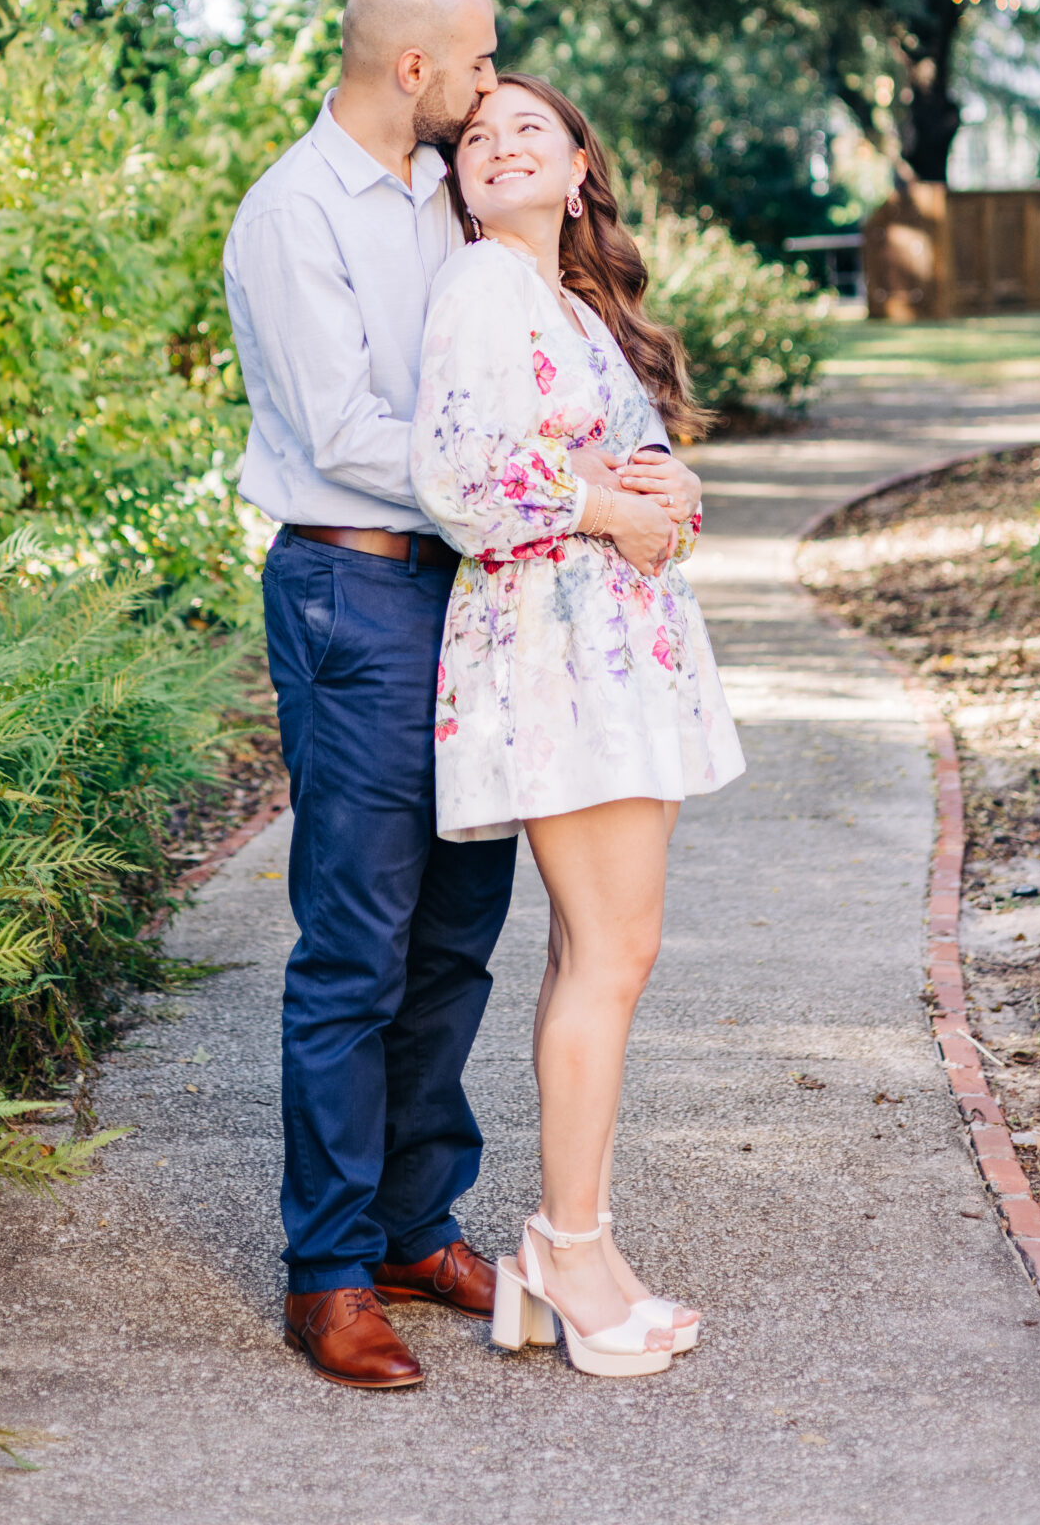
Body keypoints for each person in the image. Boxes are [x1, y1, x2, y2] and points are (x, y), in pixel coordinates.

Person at [222, 0, 702, 1390]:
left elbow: (551, 386)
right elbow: (370, 434)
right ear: (419, 69)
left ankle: (414, 1221)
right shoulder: (292, 214)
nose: (500, 86)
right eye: (483, 63)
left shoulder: (459, 203)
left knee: (457, 930)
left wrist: (620, 475)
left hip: (485, 605)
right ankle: (326, 1269)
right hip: (359, 587)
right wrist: (562, 491)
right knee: (357, 941)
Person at [410, 72, 745, 1379]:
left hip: (613, 655)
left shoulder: (570, 305)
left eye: (526, 131)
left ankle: (574, 1248)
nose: (497, 147)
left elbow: (642, 474)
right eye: (477, 139)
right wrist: (608, 504)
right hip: (551, 660)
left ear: (579, 165)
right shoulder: (482, 286)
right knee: (610, 955)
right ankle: (568, 1252)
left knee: (605, 952)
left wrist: (671, 488)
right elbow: (462, 475)